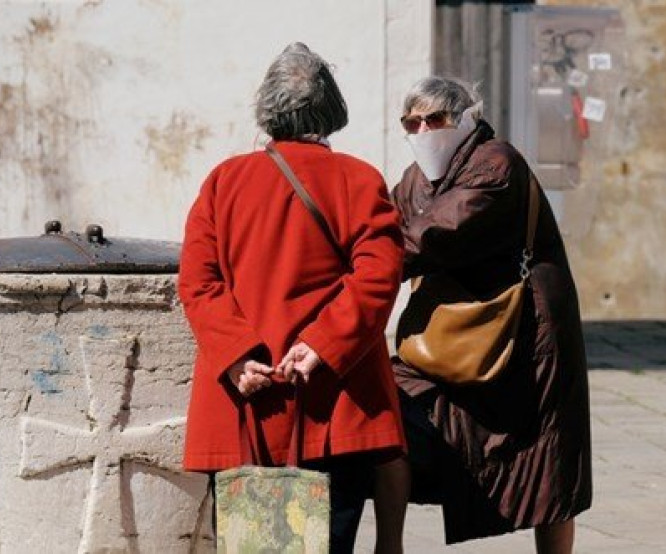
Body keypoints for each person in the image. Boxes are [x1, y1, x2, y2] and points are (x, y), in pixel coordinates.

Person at [177, 42, 409, 554]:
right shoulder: (359, 178)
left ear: (268, 107)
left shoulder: (224, 181)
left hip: (247, 401)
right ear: (331, 109)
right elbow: (378, 276)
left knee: (251, 547)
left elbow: (198, 281)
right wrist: (322, 344)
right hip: (332, 401)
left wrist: (238, 355)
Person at [387, 76, 593, 553]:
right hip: (455, 329)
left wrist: (367, 266)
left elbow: (434, 233)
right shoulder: (416, 177)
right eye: (411, 122)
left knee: (550, 463)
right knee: (392, 409)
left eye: (434, 119)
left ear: (463, 120)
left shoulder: (496, 162)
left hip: (529, 331)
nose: (422, 130)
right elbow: (387, 223)